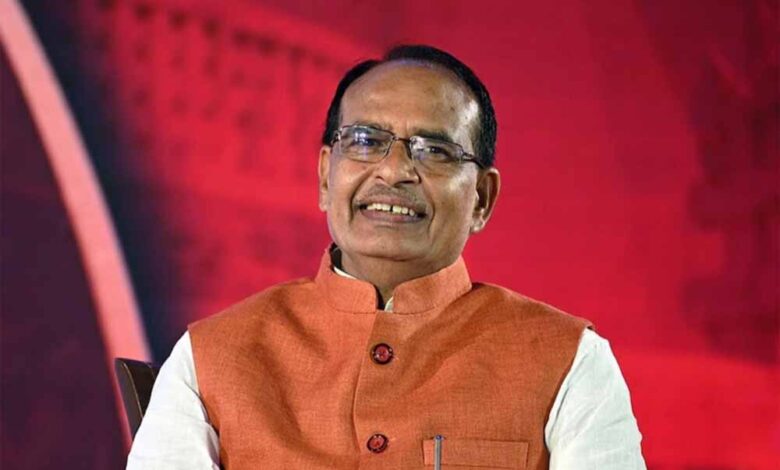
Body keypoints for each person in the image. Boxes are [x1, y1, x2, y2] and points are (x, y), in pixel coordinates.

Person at [127, 45, 645, 469]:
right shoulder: (209, 359)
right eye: (365, 140)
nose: (394, 171)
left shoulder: (569, 361)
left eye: (434, 150)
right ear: (326, 176)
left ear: (482, 200)